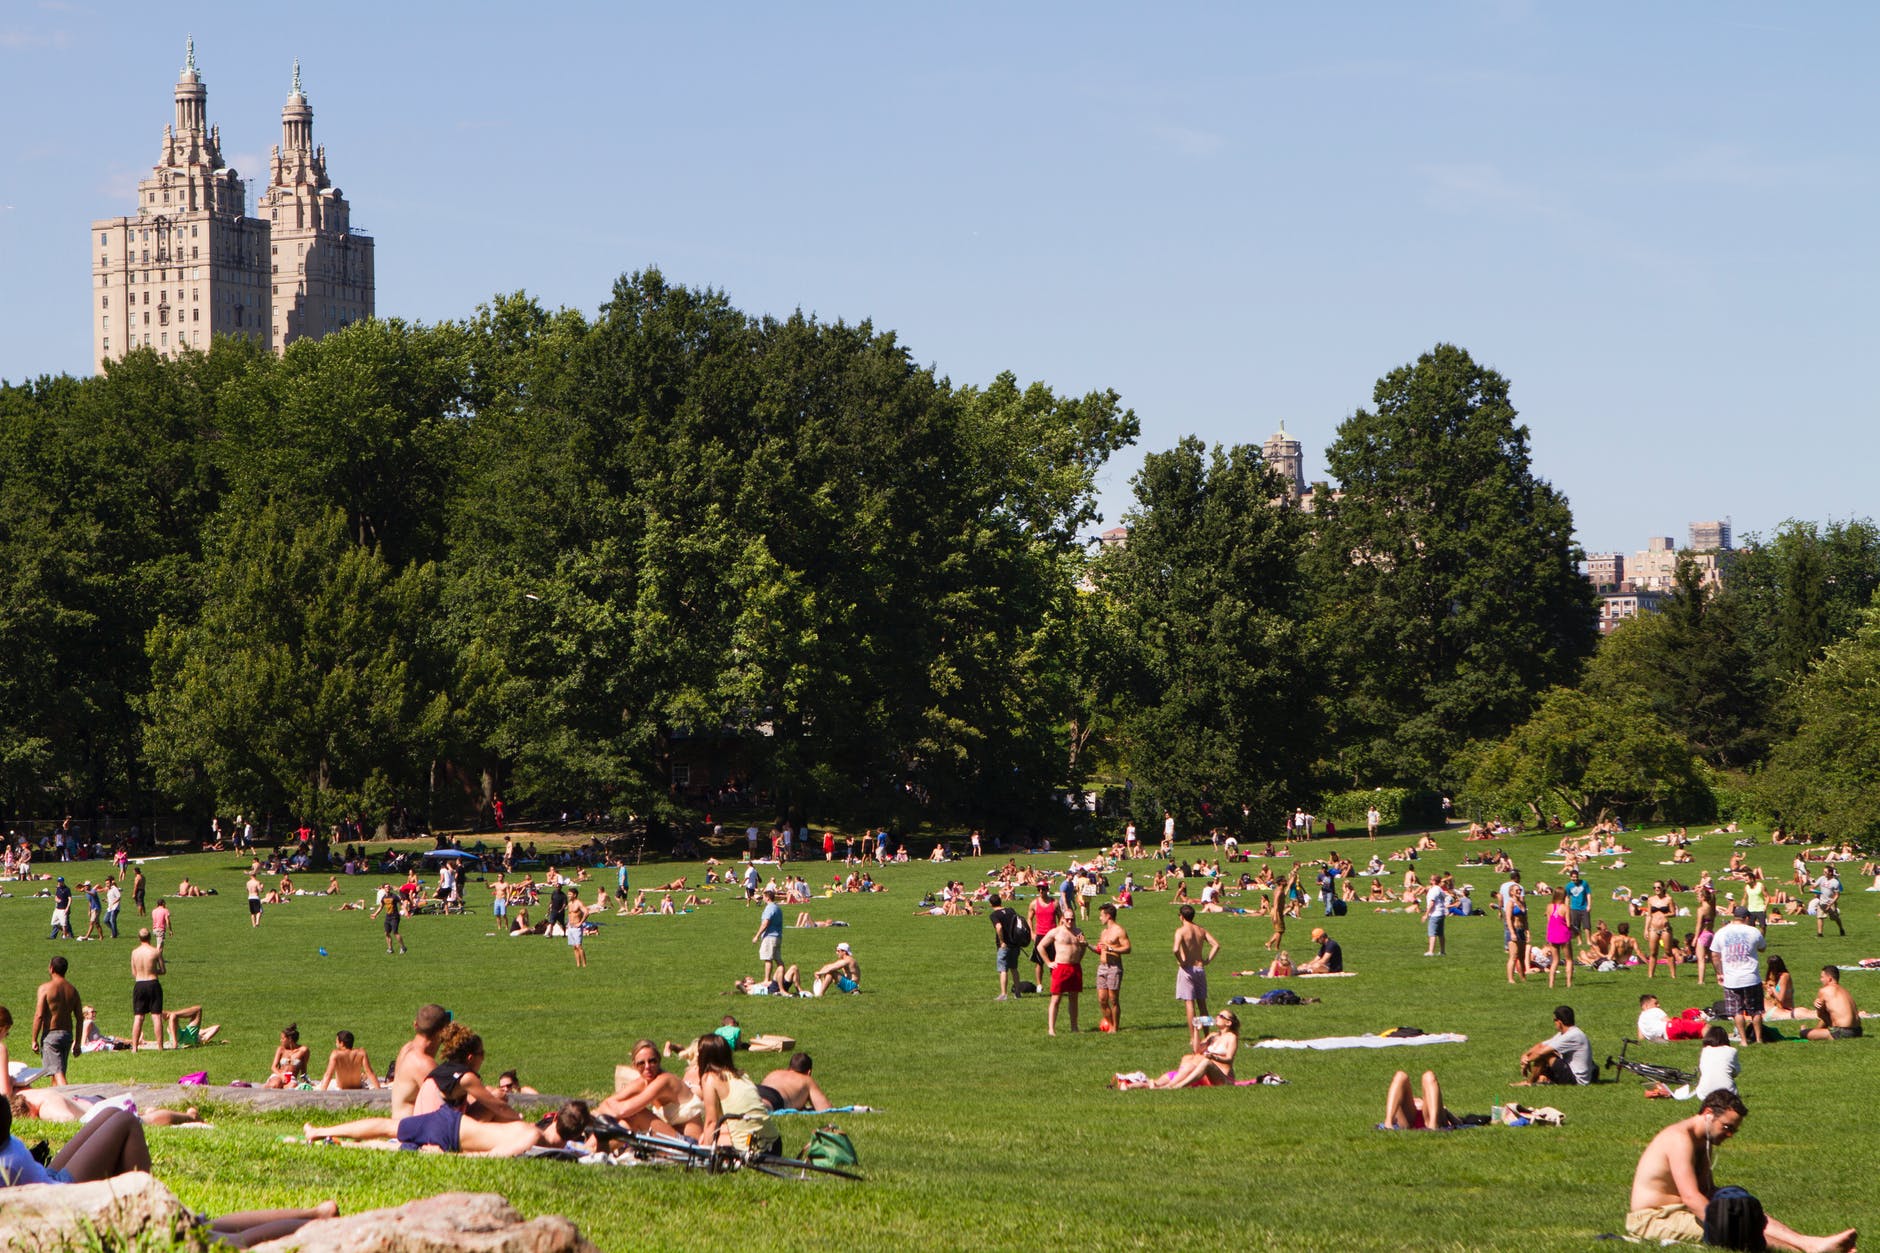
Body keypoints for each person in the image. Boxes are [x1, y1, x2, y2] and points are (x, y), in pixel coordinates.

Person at [1626, 1091, 1856, 1251]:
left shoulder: (1702, 1141)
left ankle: (1808, 1243)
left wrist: (1740, 1211)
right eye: (1727, 1127)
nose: (1729, 1135)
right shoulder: (1679, 1139)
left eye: (1734, 1131)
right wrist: (1726, 1226)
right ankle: (1807, 1249)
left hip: (1680, 1211)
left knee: (1741, 1210)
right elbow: (1690, 1196)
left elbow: (1707, 1191)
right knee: (1737, 1228)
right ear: (1708, 1113)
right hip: (1653, 1217)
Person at [304, 1004, 450, 1143]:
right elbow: (448, 1107)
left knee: (382, 1128)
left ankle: (323, 1133)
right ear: (443, 1032)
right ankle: (332, 1137)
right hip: (410, 1134)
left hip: (400, 1127)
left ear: (415, 1025)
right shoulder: (423, 1063)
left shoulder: (406, 1049)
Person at [391, 1027, 539, 1157]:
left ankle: (513, 1134)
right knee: (496, 1101)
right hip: (439, 1137)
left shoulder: (444, 1070)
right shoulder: (466, 1077)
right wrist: (520, 1120)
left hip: (423, 1131)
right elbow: (498, 1107)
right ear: (470, 1057)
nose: (483, 1058)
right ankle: (520, 1135)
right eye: (482, 1053)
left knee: (491, 1094)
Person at [695, 1033, 780, 1152]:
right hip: (775, 1144)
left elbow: (711, 1122)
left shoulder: (710, 1078)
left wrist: (705, 1153)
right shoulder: (742, 1076)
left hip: (750, 1150)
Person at [596, 1039, 696, 1138]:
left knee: (636, 1114)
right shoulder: (643, 1082)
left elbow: (624, 1111)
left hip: (689, 1145)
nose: (647, 1067)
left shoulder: (665, 1081)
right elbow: (606, 1103)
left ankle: (590, 1148)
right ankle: (590, 1148)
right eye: (641, 1063)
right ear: (634, 1066)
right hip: (669, 1141)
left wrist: (604, 1116)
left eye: (652, 1061)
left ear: (659, 1061)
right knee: (624, 1122)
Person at [1710, 905, 1767, 1045]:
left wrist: (1719, 973)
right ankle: (1759, 1039)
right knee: (1756, 1011)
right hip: (1751, 977)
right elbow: (1763, 948)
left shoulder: (1722, 932)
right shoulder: (1753, 931)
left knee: (1737, 1011)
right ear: (1747, 918)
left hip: (1731, 978)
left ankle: (1743, 1040)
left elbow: (1714, 955)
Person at [1149, 1008, 1239, 1088]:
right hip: (1207, 1075)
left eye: (1221, 1016)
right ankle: (1167, 1084)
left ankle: (1176, 1086)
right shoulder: (1213, 1036)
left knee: (1207, 1062)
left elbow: (1229, 1059)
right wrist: (1196, 1030)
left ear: (1228, 1022)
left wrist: (1213, 1057)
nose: (1217, 1017)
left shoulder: (1231, 1037)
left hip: (1223, 1077)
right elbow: (1197, 1050)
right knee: (1188, 1058)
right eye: (1218, 1015)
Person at [1172, 904, 1222, 1050]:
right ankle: (1207, 1035)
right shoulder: (1200, 930)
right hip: (1200, 968)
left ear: (1181, 916)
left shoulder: (1181, 931)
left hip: (1187, 969)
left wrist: (1181, 961)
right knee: (1202, 1004)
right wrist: (1207, 960)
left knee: (1189, 1003)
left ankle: (1194, 1036)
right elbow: (1216, 945)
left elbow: (1175, 949)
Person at [30, 956, 80, 1086]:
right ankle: (58, 1102)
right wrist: (78, 1042)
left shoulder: (45, 988)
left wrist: (34, 1039)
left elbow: (39, 1015)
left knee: (58, 1073)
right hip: (67, 1035)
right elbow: (79, 1018)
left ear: (51, 968)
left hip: (51, 1035)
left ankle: (69, 1098)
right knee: (56, 1073)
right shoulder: (73, 990)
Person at [1516, 1005, 1594, 1086]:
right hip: (1570, 1070)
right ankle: (1543, 1077)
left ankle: (1529, 1083)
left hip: (1576, 1081)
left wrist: (1526, 1061)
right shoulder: (1566, 1034)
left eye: (1554, 1020)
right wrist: (1525, 1055)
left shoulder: (1572, 1035)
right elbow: (1541, 1045)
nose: (1554, 1023)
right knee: (1547, 1052)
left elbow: (1541, 1053)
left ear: (1559, 1022)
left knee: (1547, 1054)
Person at [1039, 913, 1087, 1036]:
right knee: (1056, 998)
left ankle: (1074, 1027)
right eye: (1067, 919)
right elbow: (1041, 946)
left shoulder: (1078, 932)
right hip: (1060, 967)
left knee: (1074, 998)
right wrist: (1048, 962)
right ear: (1062, 919)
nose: (1070, 921)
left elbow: (1082, 948)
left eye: (1072, 919)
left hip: (1075, 967)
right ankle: (1051, 1029)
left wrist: (1081, 952)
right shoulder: (1056, 932)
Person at [1093, 902, 1131, 1032]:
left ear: (1108, 916)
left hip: (1114, 967)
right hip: (1102, 967)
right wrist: (1086, 945)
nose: (1100, 918)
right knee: (1102, 999)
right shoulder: (1104, 932)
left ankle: (1115, 1027)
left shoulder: (1119, 930)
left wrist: (1110, 948)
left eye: (1101, 915)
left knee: (1113, 999)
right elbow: (1100, 950)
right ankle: (1110, 1024)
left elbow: (1127, 948)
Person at [128, 928, 165, 1051]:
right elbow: (163, 970)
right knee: (156, 1016)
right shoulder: (155, 951)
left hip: (139, 984)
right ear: (150, 937)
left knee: (138, 1017)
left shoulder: (134, 952)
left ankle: (134, 1048)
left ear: (139, 938)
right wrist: (154, 971)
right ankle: (160, 1047)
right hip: (153, 983)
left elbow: (134, 973)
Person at [757, 1052, 832, 1112]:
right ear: (809, 1072)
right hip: (773, 1097)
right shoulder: (806, 1079)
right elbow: (826, 1109)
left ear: (789, 1068)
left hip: (756, 1089)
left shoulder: (774, 1072)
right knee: (758, 1109)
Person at [1382, 1069, 1456, 1130]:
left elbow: (1459, 1123)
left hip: (1430, 1117)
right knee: (1400, 1076)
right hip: (1408, 1119)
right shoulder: (1408, 1100)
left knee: (1429, 1076)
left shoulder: (1434, 1103)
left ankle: (1433, 1125)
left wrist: (1447, 1112)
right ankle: (1388, 1123)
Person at [1801, 966, 1862, 1040]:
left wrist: (1817, 1006)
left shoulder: (1824, 990)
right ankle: (1816, 1031)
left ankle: (1808, 1031)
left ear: (1829, 979)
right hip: (1858, 1031)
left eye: (1822, 977)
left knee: (1804, 1033)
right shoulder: (1844, 990)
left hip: (1842, 1032)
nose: (1821, 980)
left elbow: (1821, 1015)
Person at [315, 1030, 379, 1090]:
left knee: (321, 1084)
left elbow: (328, 1074)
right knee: (364, 1075)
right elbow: (370, 1072)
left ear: (342, 1043)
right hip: (358, 1087)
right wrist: (378, 1089)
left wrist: (322, 1092)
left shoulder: (336, 1054)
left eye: (336, 1041)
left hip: (341, 1088)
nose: (335, 1043)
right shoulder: (361, 1053)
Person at [989, 893, 1022, 1001]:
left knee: (1003, 969)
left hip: (1005, 946)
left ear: (991, 904)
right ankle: (1017, 993)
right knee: (1014, 969)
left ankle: (1003, 994)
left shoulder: (994, 915)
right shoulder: (1010, 910)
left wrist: (1002, 941)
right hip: (1015, 943)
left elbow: (998, 927)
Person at [1694, 1024, 1739, 1100]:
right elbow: (1736, 1072)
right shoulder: (1732, 1050)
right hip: (1729, 1093)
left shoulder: (1705, 1051)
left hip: (1705, 1094)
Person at [1644, 882, 1677, 979]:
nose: (1656, 889)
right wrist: (1646, 929)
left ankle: (1673, 975)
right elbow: (1649, 915)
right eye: (1654, 887)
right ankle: (1650, 975)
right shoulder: (1650, 899)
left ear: (1663, 888)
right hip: (1653, 928)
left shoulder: (1668, 899)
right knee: (1653, 953)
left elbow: (1673, 913)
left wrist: (1664, 915)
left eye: (1658, 887)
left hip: (1665, 928)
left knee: (1668, 952)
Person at [1544, 887, 1574, 989]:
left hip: (1552, 934)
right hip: (1564, 934)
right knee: (1569, 959)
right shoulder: (1565, 907)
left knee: (1555, 960)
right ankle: (1569, 983)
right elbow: (1569, 924)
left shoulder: (1549, 906)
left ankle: (1551, 984)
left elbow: (1549, 922)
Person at [264, 1023, 311, 1089]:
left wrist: (306, 1081)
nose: (281, 1040)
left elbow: (303, 1070)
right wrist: (281, 1076)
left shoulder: (303, 1051)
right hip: (278, 1075)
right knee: (276, 1084)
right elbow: (273, 1067)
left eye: (282, 1038)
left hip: (291, 1078)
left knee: (292, 1086)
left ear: (289, 1039)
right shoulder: (281, 1049)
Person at [752, 888, 784, 984]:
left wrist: (757, 935)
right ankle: (783, 978)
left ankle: (767, 980)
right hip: (777, 936)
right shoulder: (777, 907)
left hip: (770, 936)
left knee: (768, 958)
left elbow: (765, 922)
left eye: (764, 897)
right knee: (778, 960)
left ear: (768, 898)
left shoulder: (770, 908)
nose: (763, 898)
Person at [1812, 868, 1844, 938]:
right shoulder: (1822, 878)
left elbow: (1837, 895)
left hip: (1831, 902)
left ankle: (1841, 929)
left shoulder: (1835, 882)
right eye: (1823, 872)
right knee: (1820, 917)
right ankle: (1820, 934)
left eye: (1825, 872)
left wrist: (1831, 903)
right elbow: (1814, 886)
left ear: (1830, 873)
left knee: (1835, 918)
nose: (1824, 873)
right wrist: (1813, 890)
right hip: (1822, 902)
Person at [1423, 874, 1450, 957]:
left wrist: (1426, 914)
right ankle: (1442, 951)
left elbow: (1432, 903)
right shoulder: (1440, 889)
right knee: (1440, 934)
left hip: (1435, 914)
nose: (1429, 880)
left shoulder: (1434, 890)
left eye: (1431, 879)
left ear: (1434, 881)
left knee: (1432, 934)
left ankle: (1431, 951)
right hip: (1441, 913)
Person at [375, 889, 407, 955]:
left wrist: (406, 911)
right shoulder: (384, 897)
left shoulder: (394, 896)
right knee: (386, 933)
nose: (388, 888)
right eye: (386, 887)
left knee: (395, 932)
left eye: (389, 887)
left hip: (395, 917)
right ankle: (390, 949)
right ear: (384, 889)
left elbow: (401, 904)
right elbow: (381, 906)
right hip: (388, 917)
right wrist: (375, 914)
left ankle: (403, 947)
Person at [567, 887, 589, 968]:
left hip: (577, 928)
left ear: (575, 895)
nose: (568, 895)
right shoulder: (569, 903)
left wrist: (580, 923)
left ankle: (584, 965)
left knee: (579, 946)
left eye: (570, 894)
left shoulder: (579, 903)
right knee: (574, 947)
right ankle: (578, 964)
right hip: (570, 927)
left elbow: (586, 912)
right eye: (568, 894)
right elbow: (570, 914)